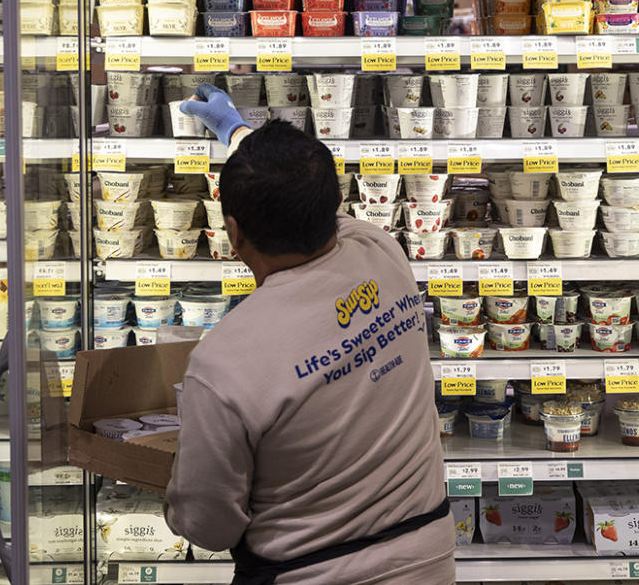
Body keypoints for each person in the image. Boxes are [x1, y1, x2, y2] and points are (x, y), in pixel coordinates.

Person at [164, 84, 454, 585]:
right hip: (428, 558)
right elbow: (310, 201)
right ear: (335, 204)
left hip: (310, 573)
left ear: (232, 233)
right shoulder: (380, 250)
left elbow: (207, 526)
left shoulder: (224, 363)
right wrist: (238, 133)